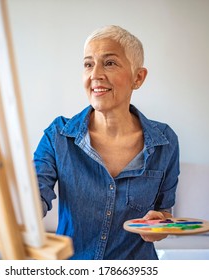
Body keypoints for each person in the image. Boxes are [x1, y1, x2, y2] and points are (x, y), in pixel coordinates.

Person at [33, 25, 179, 260]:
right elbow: (34, 197)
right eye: (88, 64)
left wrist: (159, 224)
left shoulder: (165, 142)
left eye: (109, 63)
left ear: (138, 77)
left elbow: (164, 213)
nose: (95, 75)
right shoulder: (58, 135)